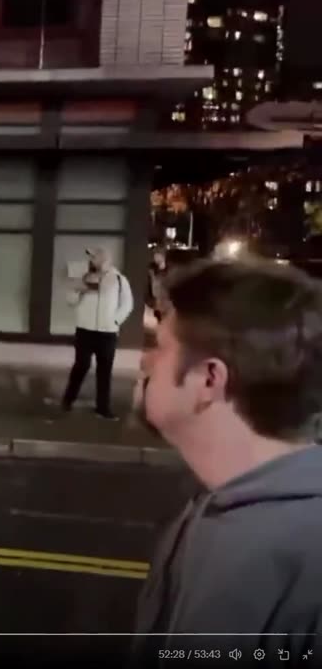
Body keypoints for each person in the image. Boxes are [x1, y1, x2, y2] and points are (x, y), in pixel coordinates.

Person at [129, 259, 322, 666]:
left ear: (209, 380)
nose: (144, 362)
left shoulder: (307, 561)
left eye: (160, 347)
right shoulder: (214, 503)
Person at [60, 246, 134, 420]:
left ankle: (103, 408)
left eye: (94, 257)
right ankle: (68, 400)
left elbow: (127, 304)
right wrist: (79, 289)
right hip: (85, 330)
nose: (91, 261)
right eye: (90, 258)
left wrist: (115, 321)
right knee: (81, 365)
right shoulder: (83, 277)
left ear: (104, 259)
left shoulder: (118, 279)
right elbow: (70, 300)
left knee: (104, 370)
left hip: (107, 332)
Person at [146, 249, 169, 323]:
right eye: (155, 256)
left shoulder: (168, 269)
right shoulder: (152, 268)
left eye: (158, 256)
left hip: (164, 297)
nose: (156, 258)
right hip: (156, 296)